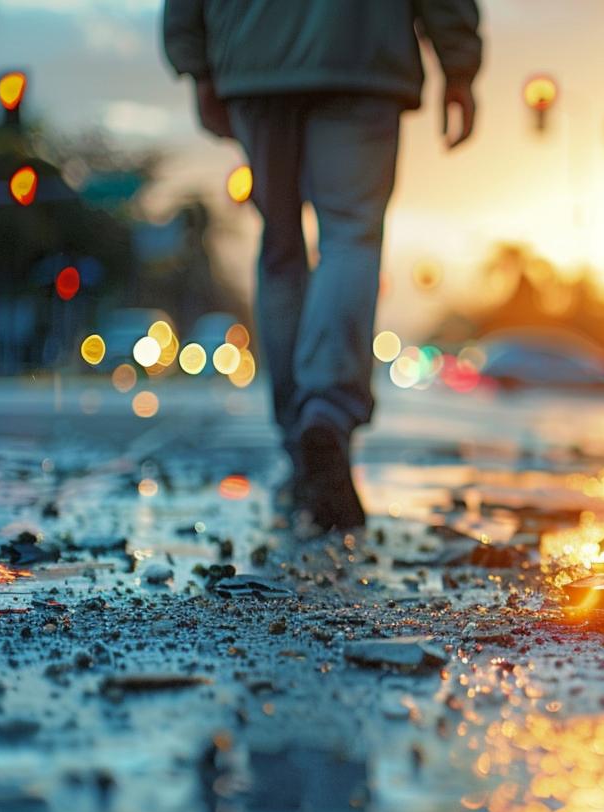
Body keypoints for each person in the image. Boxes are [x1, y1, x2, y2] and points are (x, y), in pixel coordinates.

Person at [162, 0, 481, 530]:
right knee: (350, 235)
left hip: (253, 53)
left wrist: (197, 62)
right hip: (359, 51)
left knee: (281, 248)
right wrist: (459, 64)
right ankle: (326, 415)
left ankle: (299, 442)